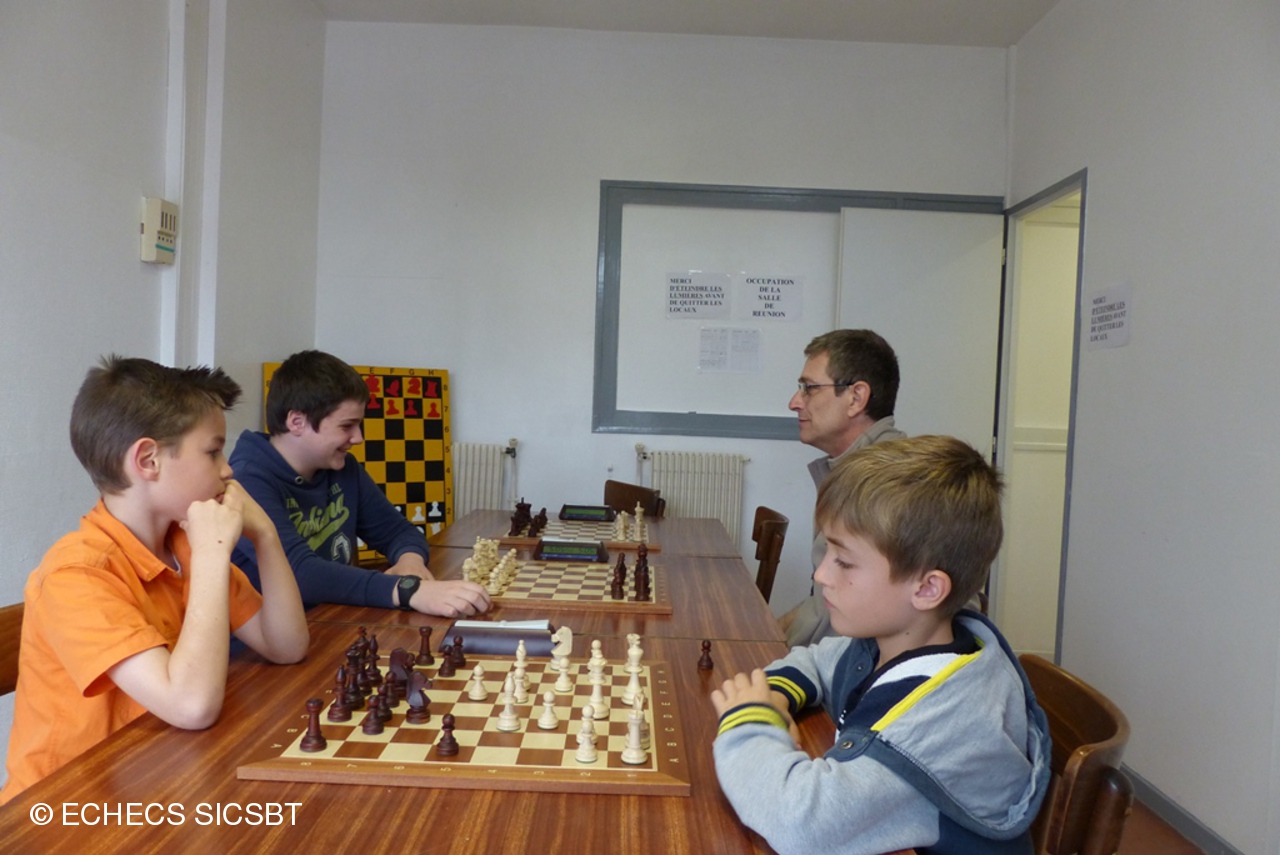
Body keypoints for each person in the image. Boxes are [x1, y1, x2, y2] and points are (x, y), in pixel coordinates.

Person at [711, 436, 1050, 855]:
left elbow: (797, 822)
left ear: (927, 589)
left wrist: (749, 720)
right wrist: (777, 696)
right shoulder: (896, 643)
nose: (821, 575)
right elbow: (817, 662)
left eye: (844, 561)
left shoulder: (933, 730)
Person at [0, 357, 309, 804]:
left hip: (159, 778)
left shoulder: (182, 544)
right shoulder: (77, 575)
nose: (228, 470)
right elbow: (191, 706)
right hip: (68, 810)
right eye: (212, 452)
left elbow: (286, 645)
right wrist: (211, 553)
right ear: (148, 460)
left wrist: (266, 537)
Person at [229, 350, 490, 617]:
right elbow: (299, 573)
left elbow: (398, 532)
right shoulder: (246, 481)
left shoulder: (342, 469)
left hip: (331, 618)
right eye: (347, 426)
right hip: (269, 636)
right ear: (297, 422)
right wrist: (406, 590)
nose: (358, 438)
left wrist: (410, 561)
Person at [779, 329, 906, 647]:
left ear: (856, 398)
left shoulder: (889, 483)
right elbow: (821, 607)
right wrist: (769, 636)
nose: (794, 402)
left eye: (809, 389)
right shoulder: (852, 471)